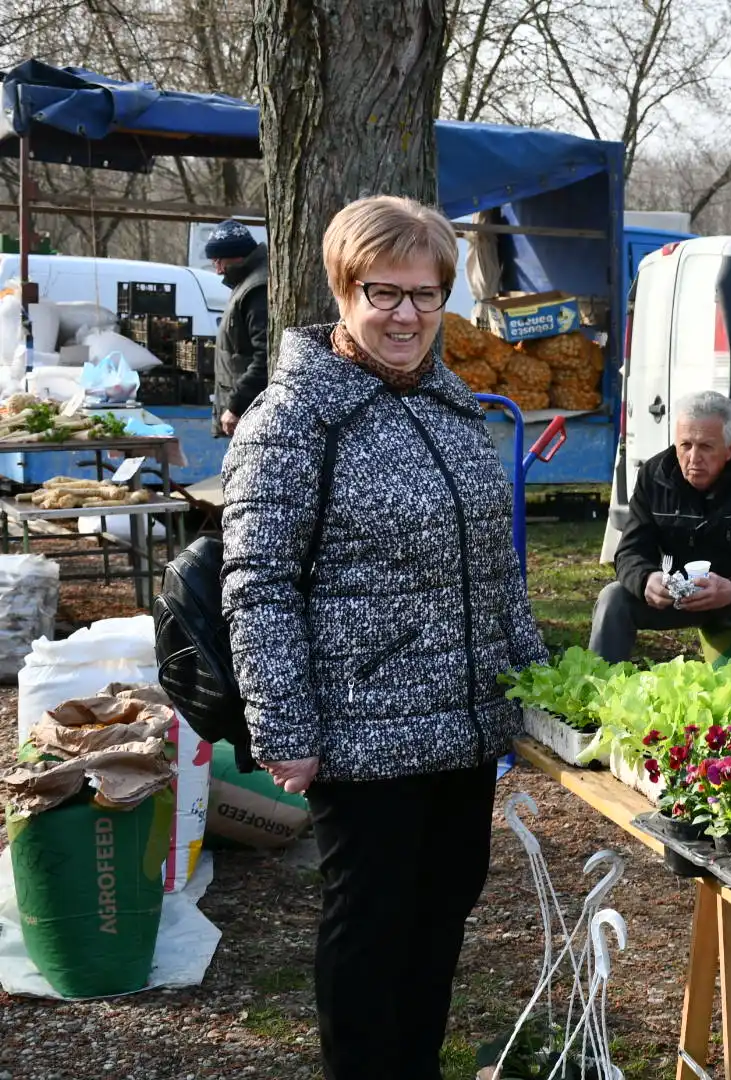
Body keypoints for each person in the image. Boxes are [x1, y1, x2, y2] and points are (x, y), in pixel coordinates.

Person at [220, 195, 547, 1080]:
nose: (406, 315)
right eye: (384, 292)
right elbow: (259, 581)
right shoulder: (292, 419)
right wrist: (285, 727)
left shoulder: (448, 406)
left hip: (464, 725)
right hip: (363, 730)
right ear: (343, 289)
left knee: (441, 918)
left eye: (426, 294)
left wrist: (540, 680)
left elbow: (493, 566)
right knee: (371, 931)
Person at [591, 391, 731, 665]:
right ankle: (594, 694)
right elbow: (629, 552)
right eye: (685, 445)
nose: (693, 458)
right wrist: (646, 580)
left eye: (706, 447)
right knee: (613, 597)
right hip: (677, 597)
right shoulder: (653, 476)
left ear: (730, 449)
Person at [206, 218, 270, 437]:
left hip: (250, 413)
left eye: (217, 261)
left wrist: (236, 406)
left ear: (236, 255)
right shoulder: (246, 282)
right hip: (245, 409)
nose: (217, 270)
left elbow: (266, 356)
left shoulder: (257, 288)